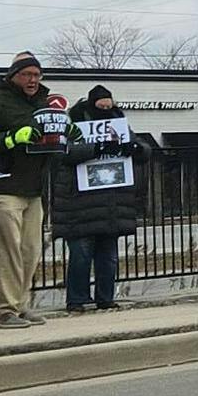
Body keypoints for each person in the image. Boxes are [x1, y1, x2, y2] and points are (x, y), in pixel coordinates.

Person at [0, 52, 66, 327]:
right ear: (14, 76)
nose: (33, 80)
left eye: (37, 75)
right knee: (7, 249)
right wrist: (10, 139)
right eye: (27, 75)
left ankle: (20, 305)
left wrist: (61, 139)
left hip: (32, 186)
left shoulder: (44, 105)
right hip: (2, 185)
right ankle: (2, 310)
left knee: (30, 250)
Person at [51, 84, 146, 312]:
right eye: (101, 105)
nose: (105, 108)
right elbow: (63, 153)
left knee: (108, 257)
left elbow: (143, 148)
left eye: (108, 104)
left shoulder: (119, 123)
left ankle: (105, 296)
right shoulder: (72, 124)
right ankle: (77, 299)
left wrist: (133, 148)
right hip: (80, 203)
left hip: (111, 202)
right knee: (81, 255)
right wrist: (96, 148)